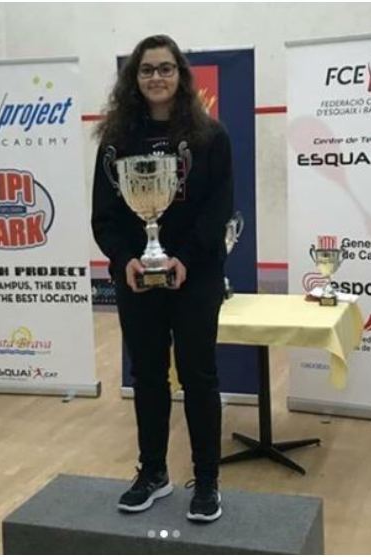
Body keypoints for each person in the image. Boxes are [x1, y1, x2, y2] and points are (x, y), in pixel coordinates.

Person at [91, 34, 233, 523]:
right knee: (147, 376)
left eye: (165, 68)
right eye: (147, 69)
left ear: (181, 76)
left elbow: (219, 210)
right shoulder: (115, 142)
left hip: (195, 276)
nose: (156, 77)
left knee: (198, 375)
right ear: (134, 78)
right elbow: (104, 216)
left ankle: (207, 481)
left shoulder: (211, 137)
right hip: (137, 277)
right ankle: (153, 473)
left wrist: (186, 259)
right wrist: (125, 258)